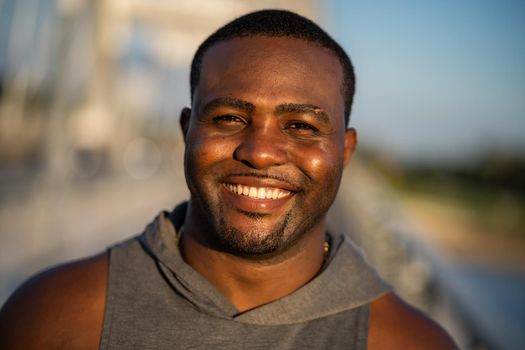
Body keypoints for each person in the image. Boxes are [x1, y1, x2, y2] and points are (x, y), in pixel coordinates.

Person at [0, 9, 457, 349]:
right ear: (187, 131)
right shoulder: (53, 317)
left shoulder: (409, 342)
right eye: (229, 118)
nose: (259, 152)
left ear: (345, 151)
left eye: (301, 126)